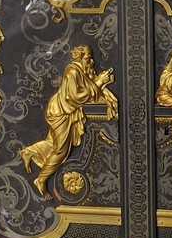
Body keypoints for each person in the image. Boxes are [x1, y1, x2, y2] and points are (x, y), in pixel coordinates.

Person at [19, 44, 117, 195]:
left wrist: (101, 82)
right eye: (87, 57)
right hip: (60, 112)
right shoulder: (72, 71)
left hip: (65, 111)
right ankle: (41, 179)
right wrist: (98, 83)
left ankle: (30, 152)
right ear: (80, 58)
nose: (90, 60)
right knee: (61, 150)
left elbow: (85, 90)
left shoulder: (79, 70)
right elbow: (75, 96)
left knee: (54, 144)